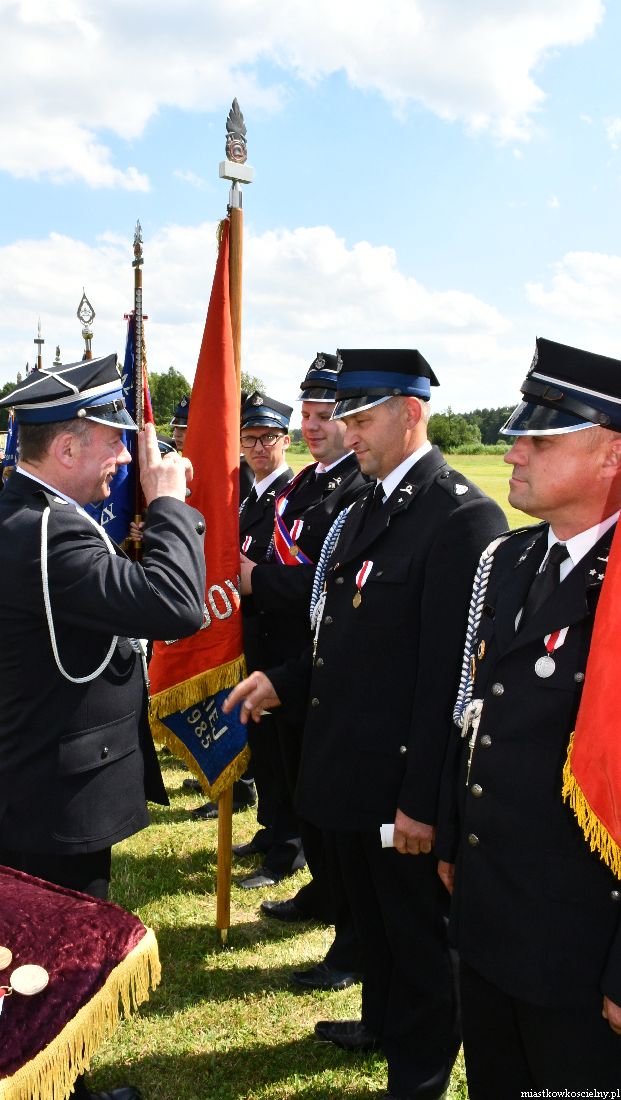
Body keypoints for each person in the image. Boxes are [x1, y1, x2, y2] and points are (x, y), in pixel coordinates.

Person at [225, 349, 505, 1100]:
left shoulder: (460, 516)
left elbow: (450, 682)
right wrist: (283, 681)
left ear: (411, 414)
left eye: (363, 418)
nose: (348, 433)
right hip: (347, 764)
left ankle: (418, 1076)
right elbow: (340, 640)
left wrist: (421, 802)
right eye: (343, 417)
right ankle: (379, 1022)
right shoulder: (364, 506)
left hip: (398, 780)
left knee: (418, 938)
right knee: (376, 925)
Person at [0, 353, 206, 1100]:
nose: (127, 459)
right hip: (52, 799)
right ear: (67, 448)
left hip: (45, 783)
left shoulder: (33, 514)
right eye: (113, 441)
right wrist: (169, 505)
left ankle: (61, 1085)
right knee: (50, 966)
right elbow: (176, 606)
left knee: (48, 961)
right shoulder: (49, 532)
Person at [436, 337, 621, 1097]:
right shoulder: (510, 560)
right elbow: (475, 713)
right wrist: (453, 836)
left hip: (581, 944)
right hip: (491, 914)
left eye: (540, 441)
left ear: (611, 455)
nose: (512, 451)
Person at [234, 354, 367, 994]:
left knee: (318, 791)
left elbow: (325, 585)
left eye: (325, 415)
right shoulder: (309, 484)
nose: (313, 426)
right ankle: (321, 889)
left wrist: (256, 580)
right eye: (307, 414)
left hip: (315, 662)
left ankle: (341, 914)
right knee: (290, 773)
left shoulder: (355, 488)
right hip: (280, 654)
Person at [191, 390, 293, 821]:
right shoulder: (250, 495)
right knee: (261, 744)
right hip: (246, 634)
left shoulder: (291, 496)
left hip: (278, 639)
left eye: (268, 438)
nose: (257, 448)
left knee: (281, 750)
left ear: (286, 440)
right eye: (248, 439)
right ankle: (269, 827)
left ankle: (284, 838)